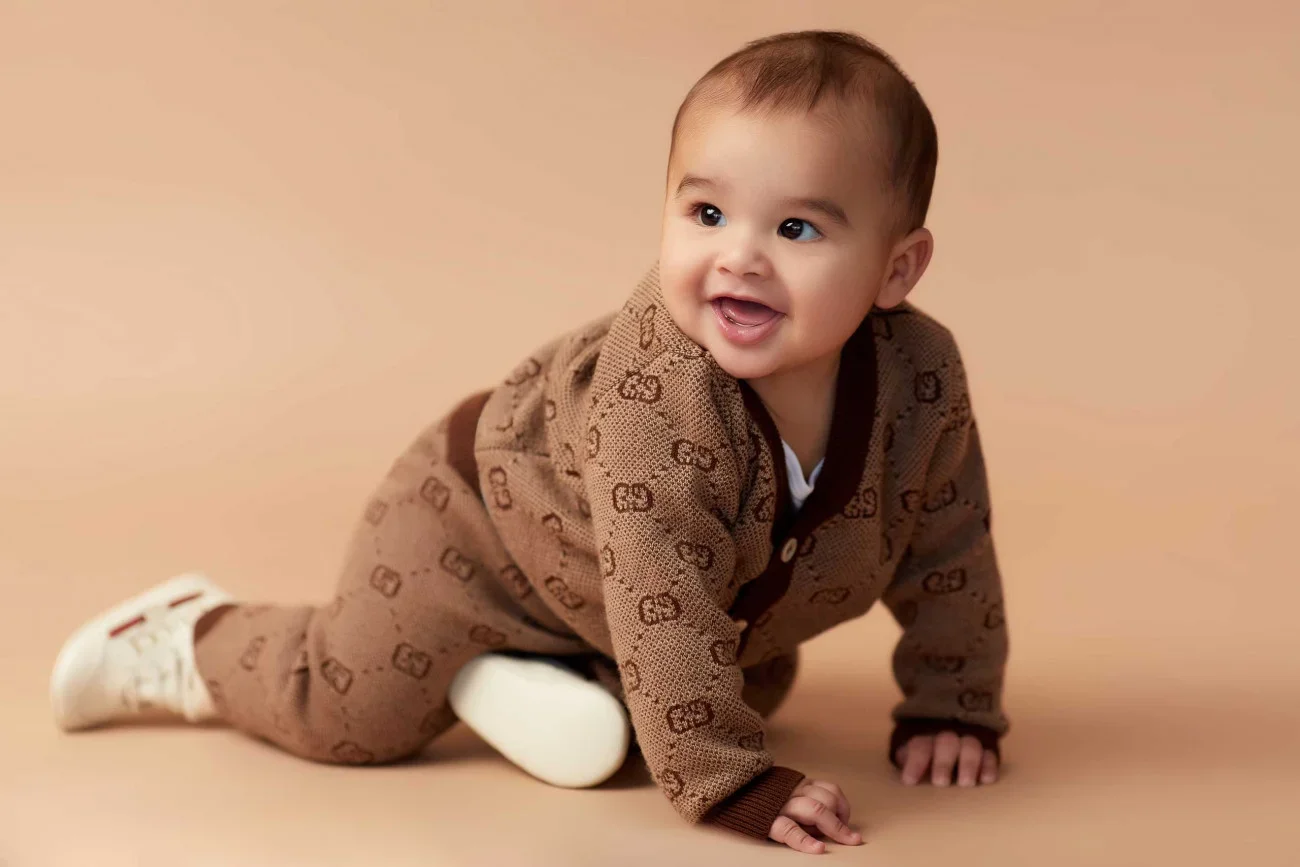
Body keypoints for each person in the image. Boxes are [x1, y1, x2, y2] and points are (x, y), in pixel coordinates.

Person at [50, 29, 1010, 855]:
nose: (740, 255)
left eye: (796, 227)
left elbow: (949, 542)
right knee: (349, 709)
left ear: (898, 269)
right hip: (474, 529)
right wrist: (730, 782)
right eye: (707, 213)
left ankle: (538, 678)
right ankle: (193, 638)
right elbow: (664, 598)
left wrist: (952, 700)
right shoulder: (656, 401)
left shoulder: (921, 380)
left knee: (746, 681)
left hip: (640, 601)